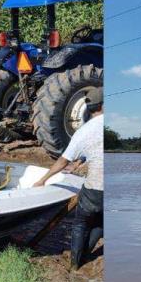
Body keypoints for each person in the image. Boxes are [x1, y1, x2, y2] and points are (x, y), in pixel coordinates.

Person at [33, 88, 103, 270]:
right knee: (101, 220)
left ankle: (75, 263)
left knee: (81, 221)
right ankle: (86, 254)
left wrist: (43, 179)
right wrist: (81, 160)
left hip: (96, 187)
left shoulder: (83, 131)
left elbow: (63, 160)